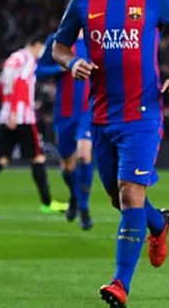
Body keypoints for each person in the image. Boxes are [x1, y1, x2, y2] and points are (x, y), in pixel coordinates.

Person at [51, 0, 169, 307]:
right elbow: (59, 46)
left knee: (131, 194)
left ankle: (121, 283)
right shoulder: (84, 1)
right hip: (101, 117)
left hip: (143, 114)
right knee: (119, 200)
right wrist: (72, 62)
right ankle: (158, 223)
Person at [0, 34, 69, 216]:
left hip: (7, 114)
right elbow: (21, 84)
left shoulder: (12, 59)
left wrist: (7, 108)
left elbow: (1, 86)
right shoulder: (28, 60)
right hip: (22, 117)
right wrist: (16, 110)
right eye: (41, 48)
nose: (41, 52)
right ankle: (47, 203)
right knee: (38, 158)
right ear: (36, 45)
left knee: (1, 158)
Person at [36, 31, 95, 230]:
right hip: (64, 112)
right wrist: (61, 68)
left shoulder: (96, 38)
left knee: (84, 154)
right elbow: (39, 71)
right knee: (68, 166)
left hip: (88, 109)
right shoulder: (57, 40)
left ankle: (84, 209)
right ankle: (75, 197)